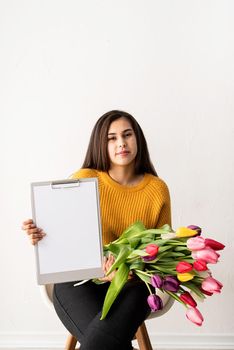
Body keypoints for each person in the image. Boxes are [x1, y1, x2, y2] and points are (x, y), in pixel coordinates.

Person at [22, 110, 171, 350]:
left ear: (138, 139)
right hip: (79, 282)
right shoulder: (84, 179)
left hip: (133, 285)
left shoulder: (156, 189)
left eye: (127, 135)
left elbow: (161, 253)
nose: (121, 143)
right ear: (100, 144)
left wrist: (124, 271)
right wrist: (41, 234)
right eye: (111, 138)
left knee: (100, 341)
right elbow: (65, 238)